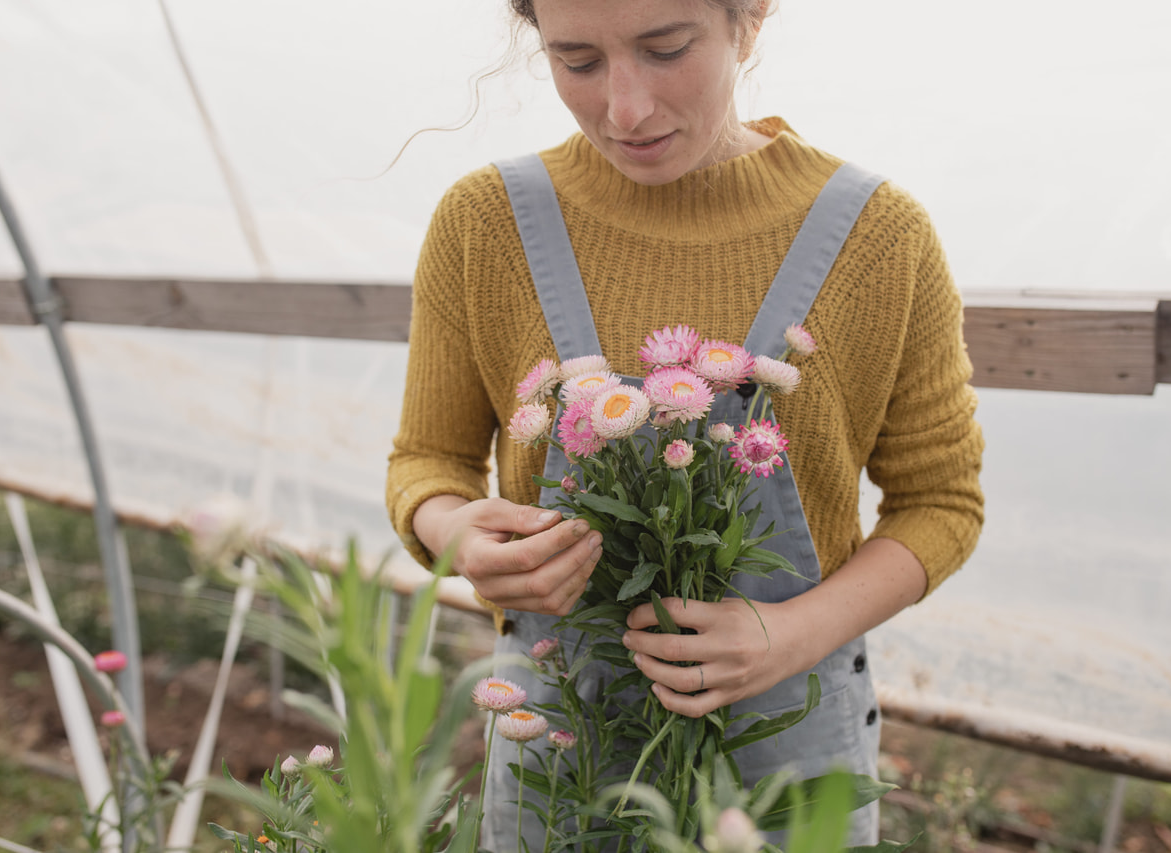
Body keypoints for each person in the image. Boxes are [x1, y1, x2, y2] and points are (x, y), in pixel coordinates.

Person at [386, 0, 985, 848]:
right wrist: (456, 532)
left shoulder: (880, 239)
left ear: (751, 19)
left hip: (789, 743)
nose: (624, 109)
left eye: (665, 49)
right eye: (577, 60)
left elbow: (942, 504)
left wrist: (789, 633)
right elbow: (426, 462)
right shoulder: (485, 226)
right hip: (559, 750)